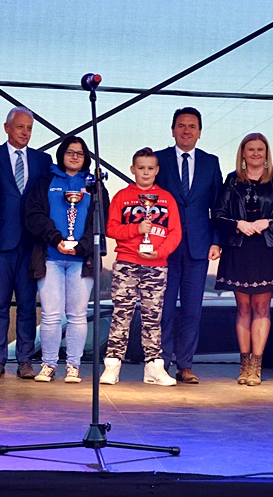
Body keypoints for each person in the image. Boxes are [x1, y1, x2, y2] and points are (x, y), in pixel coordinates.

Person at [214, 133, 273, 386]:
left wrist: (268, 222)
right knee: (243, 308)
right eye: (250, 149)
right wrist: (237, 223)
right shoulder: (232, 180)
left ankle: (256, 367)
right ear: (243, 153)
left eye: (260, 149)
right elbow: (218, 214)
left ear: (266, 152)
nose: (255, 153)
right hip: (238, 249)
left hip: (268, 250)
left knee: (262, 308)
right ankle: (244, 366)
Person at [24, 136, 108, 383]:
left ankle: (73, 366)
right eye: (70, 152)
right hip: (50, 257)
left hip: (82, 262)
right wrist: (56, 239)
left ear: (86, 157)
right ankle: (48, 365)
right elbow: (33, 215)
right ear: (61, 154)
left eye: (80, 153)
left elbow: (101, 220)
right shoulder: (46, 181)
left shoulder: (94, 185)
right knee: (50, 315)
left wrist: (81, 246)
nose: (74, 156)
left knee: (77, 315)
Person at [101, 148, 182, 386]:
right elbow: (110, 228)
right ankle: (112, 365)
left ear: (157, 171)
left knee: (152, 317)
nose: (145, 172)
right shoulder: (122, 196)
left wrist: (161, 252)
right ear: (132, 169)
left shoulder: (166, 199)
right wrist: (135, 229)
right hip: (127, 262)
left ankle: (154, 367)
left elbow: (175, 232)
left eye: (150, 168)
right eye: (141, 168)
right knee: (121, 314)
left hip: (157, 265)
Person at [154, 107, 222, 384]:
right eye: (181, 126)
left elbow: (218, 207)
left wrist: (216, 241)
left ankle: (185, 366)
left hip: (198, 247)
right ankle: (161, 364)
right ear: (172, 130)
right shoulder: (159, 159)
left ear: (200, 132)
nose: (186, 131)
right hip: (165, 247)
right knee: (164, 309)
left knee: (192, 310)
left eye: (192, 126)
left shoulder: (210, 162)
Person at [0, 107, 52, 379]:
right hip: (0, 240)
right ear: (7, 128)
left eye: (29, 128)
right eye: (20, 126)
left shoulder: (43, 160)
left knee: (27, 305)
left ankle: (25, 361)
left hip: (32, 243)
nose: (25, 132)